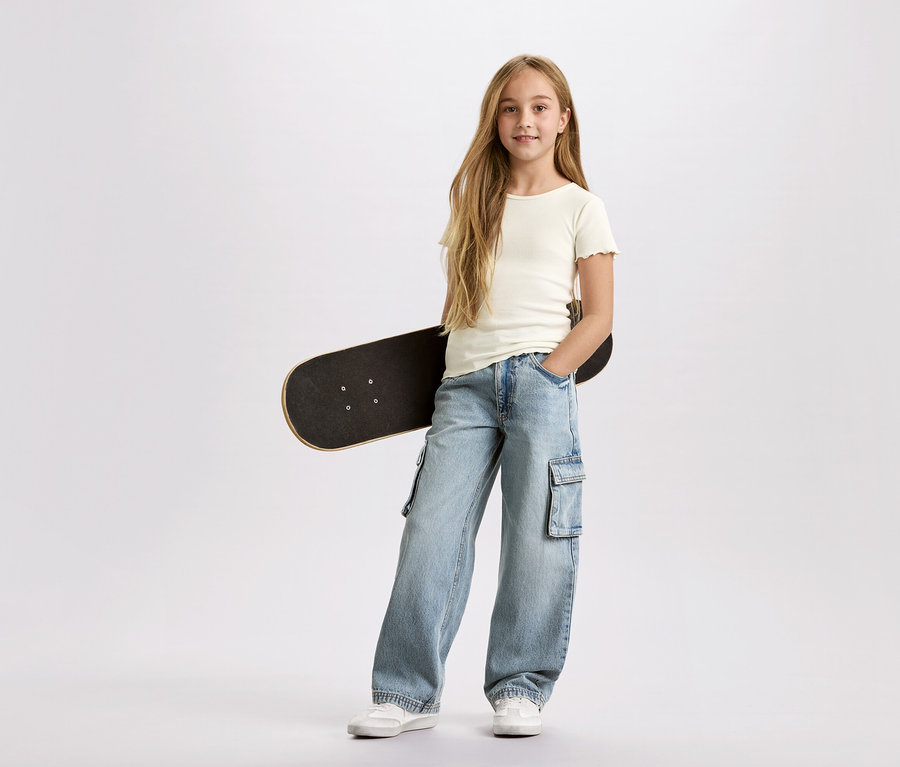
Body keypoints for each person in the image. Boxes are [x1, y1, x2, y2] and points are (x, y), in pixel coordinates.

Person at [347, 54, 619, 738]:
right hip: (462, 390)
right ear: (494, 120)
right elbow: (459, 302)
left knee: (536, 538)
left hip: (540, 382)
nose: (523, 119)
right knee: (431, 532)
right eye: (509, 107)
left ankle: (519, 685)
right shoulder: (476, 199)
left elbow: (600, 317)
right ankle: (405, 692)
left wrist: (549, 374)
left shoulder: (582, 207)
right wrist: (450, 375)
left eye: (537, 106)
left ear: (563, 118)